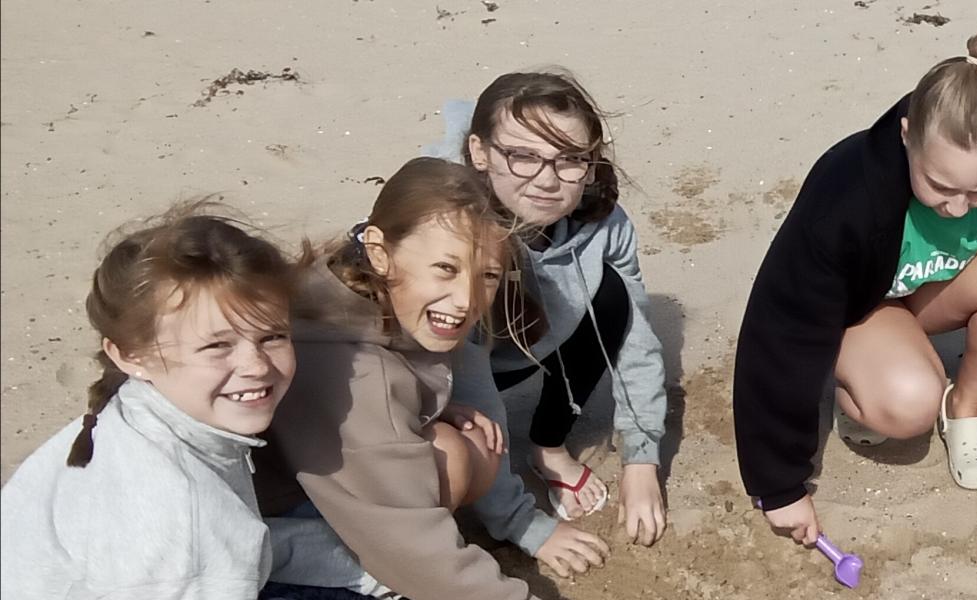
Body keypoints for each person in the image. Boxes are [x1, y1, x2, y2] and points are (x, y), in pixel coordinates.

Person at [734, 31, 977, 545]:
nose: (958, 206)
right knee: (908, 403)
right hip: (861, 308)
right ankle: (865, 380)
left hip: (929, 295)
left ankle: (964, 407)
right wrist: (777, 485)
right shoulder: (844, 197)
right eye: (940, 186)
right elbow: (782, 327)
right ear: (907, 135)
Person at [254, 157, 595, 599]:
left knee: (466, 445)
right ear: (379, 252)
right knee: (443, 481)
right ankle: (359, 575)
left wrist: (424, 406)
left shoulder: (350, 284)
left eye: (487, 275)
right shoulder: (357, 375)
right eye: (446, 269)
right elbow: (414, 547)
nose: (466, 299)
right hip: (266, 535)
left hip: (297, 480)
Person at [0, 201, 301, 598]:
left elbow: (244, 537)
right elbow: (200, 547)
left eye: (273, 337)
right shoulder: (181, 522)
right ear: (130, 356)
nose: (256, 366)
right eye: (216, 346)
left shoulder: (134, 415)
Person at [456, 70, 669, 546]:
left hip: (527, 343)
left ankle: (548, 447)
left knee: (612, 293)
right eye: (523, 156)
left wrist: (641, 458)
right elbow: (466, 379)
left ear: (590, 167)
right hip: (441, 371)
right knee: (448, 463)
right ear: (480, 152)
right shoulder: (455, 230)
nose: (548, 180)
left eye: (570, 159)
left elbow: (635, 339)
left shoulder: (606, 224)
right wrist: (520, 523)